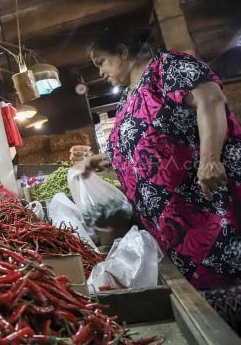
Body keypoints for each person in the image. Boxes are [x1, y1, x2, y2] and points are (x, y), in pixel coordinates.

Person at [78, 26, 241, 332]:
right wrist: (99, 160)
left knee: (231, 285)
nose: (100, 71)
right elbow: (142, 149)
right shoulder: (130, 97)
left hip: (209, 211)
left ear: (123, 52)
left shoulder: (168, 67)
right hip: (177, 231)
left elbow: (210, 100)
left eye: (101, 61)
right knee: (215, 320)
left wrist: (209, 159)